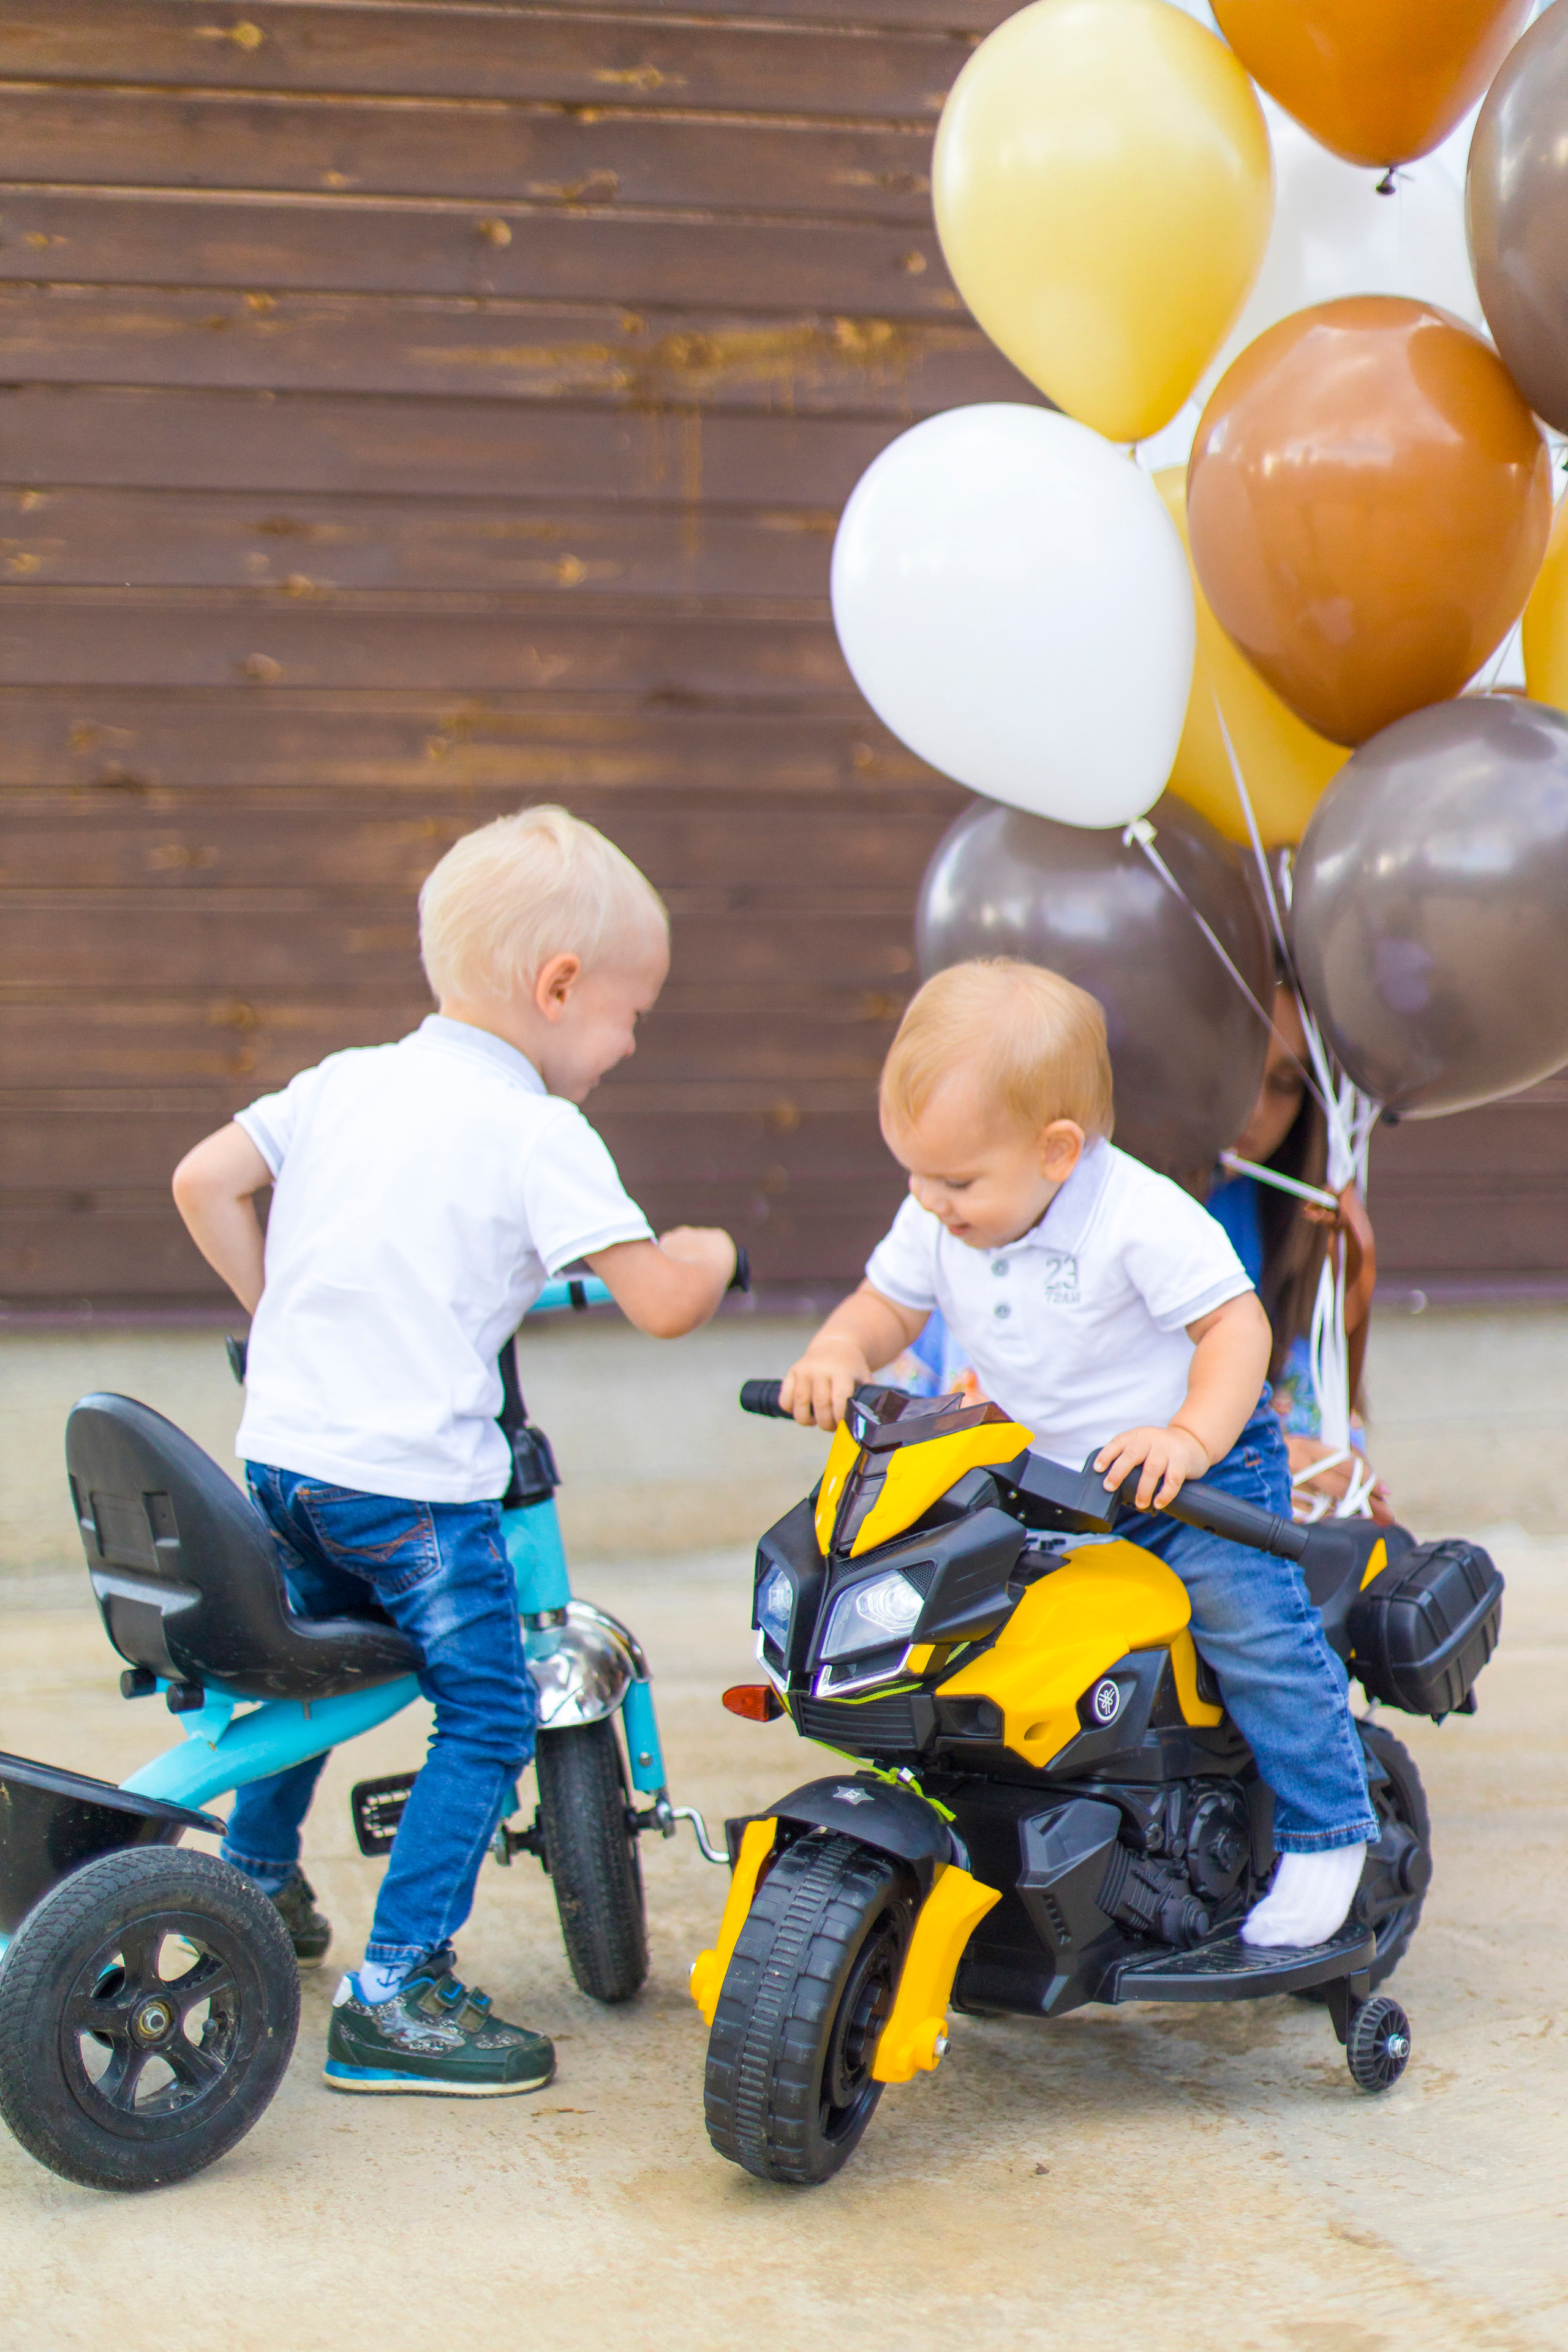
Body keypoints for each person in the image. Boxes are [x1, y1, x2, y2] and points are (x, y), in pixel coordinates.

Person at [173, 805, 736, 2096]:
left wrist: (286, 1319)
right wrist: (707, 1254)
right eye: (630, 1012)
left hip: (283, 1461)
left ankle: (258, 1882)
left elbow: (201, 1182)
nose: (631, 1039)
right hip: (410, 1495)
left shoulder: (342, 1082)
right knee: (486, 1712)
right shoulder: (536, 1131)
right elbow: (656, 1301)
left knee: (298, 1675)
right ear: (558, 987)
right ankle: (397, 1989)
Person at [783, 958, 1376, 1950]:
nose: (929, 1202)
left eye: (956, 1180)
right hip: (1040, 1475)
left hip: (1183, 1474)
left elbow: (1236, 1330)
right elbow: (887, 1304)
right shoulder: (944, 1211)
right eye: (914, 1175)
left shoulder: (1136, 1217)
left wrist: (1188, 1435)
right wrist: (838, 1349)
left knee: (1251, 1625)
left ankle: (1328, 1831)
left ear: (1058, 1151)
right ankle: (1000, 1817)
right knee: (952, 1612)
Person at [1207, 984, 1391, 1523]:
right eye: (1232, 1070)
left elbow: (1308, 1407)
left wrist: (1332, 1470)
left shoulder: (1287, 1212)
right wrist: (1253, 1463)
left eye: (1287, 1084)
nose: (1254, 1112)